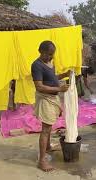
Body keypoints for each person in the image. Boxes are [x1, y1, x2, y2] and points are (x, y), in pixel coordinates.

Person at [31, 41, 70, 172]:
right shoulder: (36, 65)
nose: (51, 57)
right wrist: (59, 88)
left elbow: (52, 77)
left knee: (49, 125)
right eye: (48, 54)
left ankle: (47, 147)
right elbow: (39, 86)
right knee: (46, 129)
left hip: (52, 98)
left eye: (52, 54)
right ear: (40, 51)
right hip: (45, 99)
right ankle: (42, 161)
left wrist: (64, 75)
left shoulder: (50, 63)